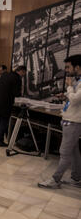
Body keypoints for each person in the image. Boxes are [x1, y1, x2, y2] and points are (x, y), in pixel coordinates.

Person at [38, 55, 81, 189]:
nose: (66, 70)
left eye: (68, 67)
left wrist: (68, 88)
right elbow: (73, 99)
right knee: (74, 152)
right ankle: (76, 178)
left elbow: (74, 99)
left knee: (64, 152)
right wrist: (66, 95)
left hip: (73, 122)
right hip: (69, 119)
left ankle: (55, 180)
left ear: (77, 67)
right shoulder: (77, 81)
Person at [0, 66, 26, 147]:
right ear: (21, 71)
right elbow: (16, 93)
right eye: (24, 73)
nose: (24, 75)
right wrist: (21, 94)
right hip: (6, 104)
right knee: (3, 122)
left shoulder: (4, 75)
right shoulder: (17, 78)